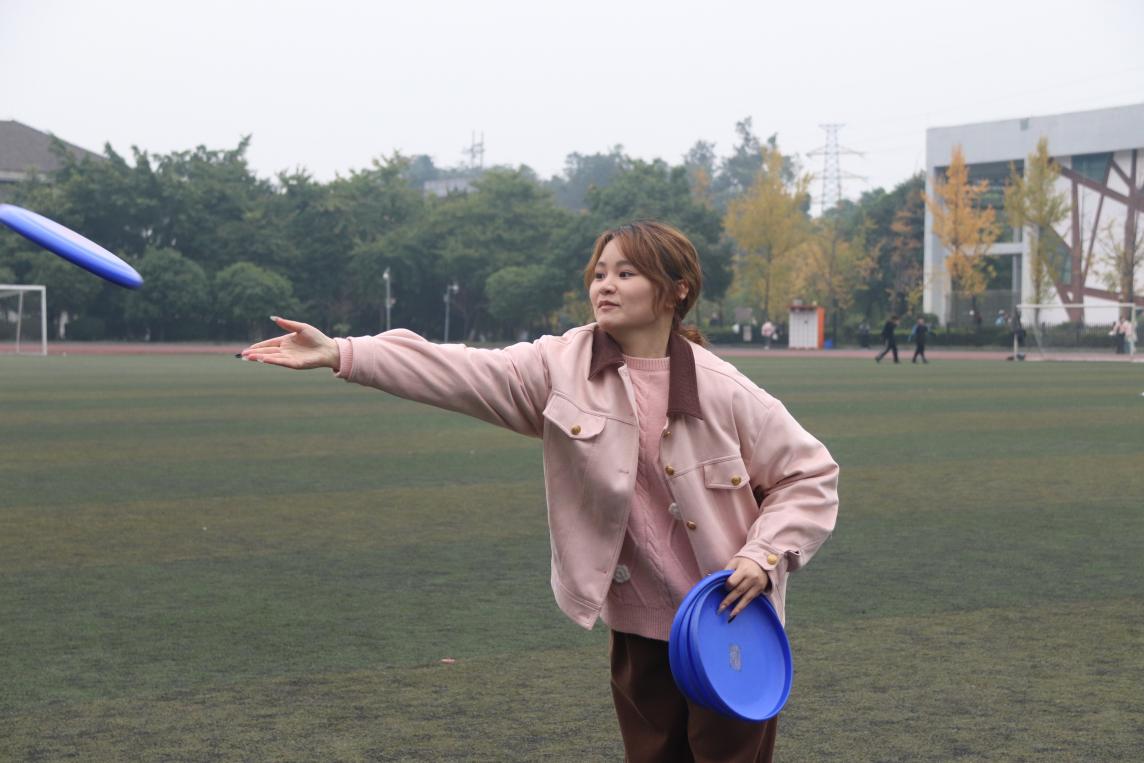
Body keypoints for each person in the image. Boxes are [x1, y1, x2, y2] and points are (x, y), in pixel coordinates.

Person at [241, 220, 839, 763]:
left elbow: (810, 475)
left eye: (627, 273)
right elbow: (458, 370)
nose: (605, 285)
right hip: (639, 627)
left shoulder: (724, 390)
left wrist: (763, 555)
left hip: (729, 621)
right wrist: (343, 352)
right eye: (599, 273)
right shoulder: (559, 367)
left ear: (676, 291)